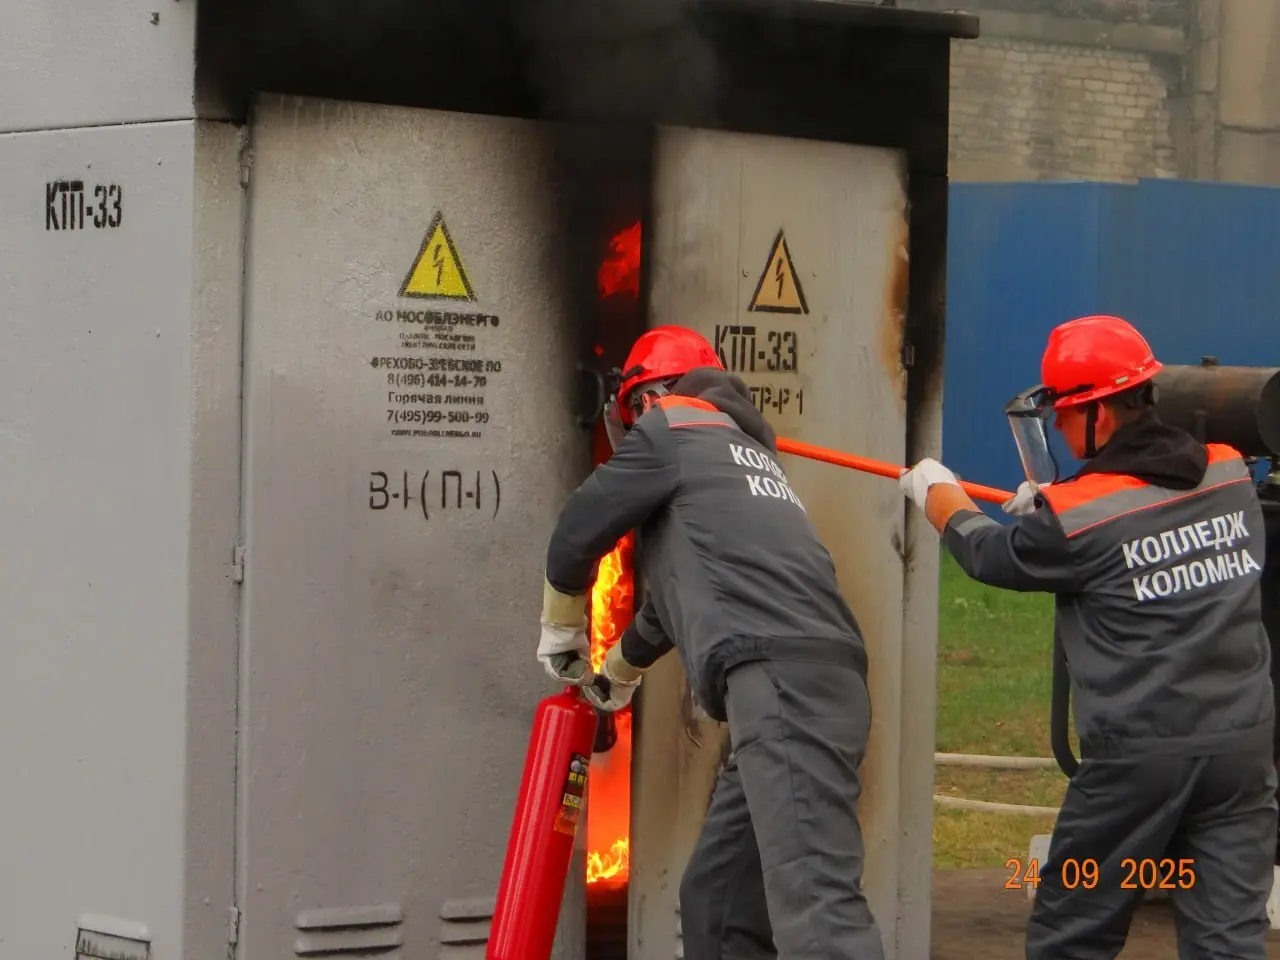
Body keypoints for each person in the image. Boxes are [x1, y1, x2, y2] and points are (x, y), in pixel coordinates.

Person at [898, 314, 1277, 960]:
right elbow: (1144, 505)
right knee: (1228, 943)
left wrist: (940, 496)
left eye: (1066, 418)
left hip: (1139, 762)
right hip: (1241, 753)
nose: (1065, 433)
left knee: (1072, 936)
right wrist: (1061, 502)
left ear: (1098, 412)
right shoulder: (1230, 475)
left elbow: (993, 555)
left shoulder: (1076, 519)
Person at [536, 324, 885, 960]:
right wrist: (617, 673)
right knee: (718, 901)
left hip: (781, 685)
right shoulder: (740, 455)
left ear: (646, 398)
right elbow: (678, 599)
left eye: (633, 412)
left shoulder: (672, 426)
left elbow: (577, 530)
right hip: (804, 684)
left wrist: (562, 628)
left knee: (818, 915)